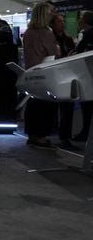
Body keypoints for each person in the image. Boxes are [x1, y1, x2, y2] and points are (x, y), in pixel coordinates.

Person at [22, 2, 60, 148]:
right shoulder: (47, 33)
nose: (53, 14)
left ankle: (32, 134)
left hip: (31, 71)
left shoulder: (28, 32)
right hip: (45, 72)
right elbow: (52, 53)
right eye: (51, 12)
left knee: (33, 103)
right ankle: (41, 136)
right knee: (45, 105)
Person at [49, 13, 78, 150]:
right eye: (60, 21)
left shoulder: (68, 39)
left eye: (63, 21)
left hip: (67, 75)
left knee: (67, 106)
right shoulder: (50, 37)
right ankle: (51, 132)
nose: (63, 24)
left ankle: (65, 136)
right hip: (54, 75)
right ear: (53, 24)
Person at [71, 10, 93, 141]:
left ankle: (86, 133)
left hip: (88, 75)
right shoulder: (86, 34)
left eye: (81, 18)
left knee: (87, 106)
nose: (79, 20)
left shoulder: (90, 35)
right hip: (87, 74)